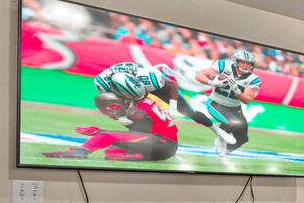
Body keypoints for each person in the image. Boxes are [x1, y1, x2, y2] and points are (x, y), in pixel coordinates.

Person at [43, 74, 178, 162]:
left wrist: (100, 131)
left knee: (108, 136)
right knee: (111, 152)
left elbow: (139, 134)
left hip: (161, 143)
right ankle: (138, 156)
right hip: (162, 147)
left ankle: (80, 152)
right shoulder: (142, 102)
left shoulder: (139, 110)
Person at [94, 61, 235, 145]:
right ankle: (145, 143)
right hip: (128, 89)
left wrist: (172, 107)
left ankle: (218, 131)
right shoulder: (103, 83)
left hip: (143, 82)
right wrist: (119, 115)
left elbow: (172, 85)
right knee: (131, 116)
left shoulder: (149, 78)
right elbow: (106, 103)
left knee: (188, 111)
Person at [193, 49, 261, 156]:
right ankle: (221, 138)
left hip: (235, 108)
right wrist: (212, 82)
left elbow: (247, 100)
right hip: (216, 103)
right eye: (243, 62)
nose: (246, 65)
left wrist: (237, 91)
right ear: (236, 61)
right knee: (233, 123)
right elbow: (199, 75)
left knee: (243, 139)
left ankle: (224, 154)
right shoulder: (223, 66)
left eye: (248, 63)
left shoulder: (253, 79)